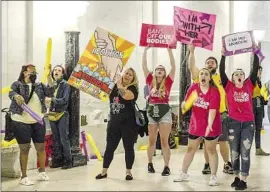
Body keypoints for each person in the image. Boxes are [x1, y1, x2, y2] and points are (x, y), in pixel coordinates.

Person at [188, 44, 233, 175]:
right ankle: (207, 164)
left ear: (216, 66)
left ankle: (226, 163)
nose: (210, 64)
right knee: (208, 143)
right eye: (208, 62)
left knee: (223, 141)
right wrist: (191, 51)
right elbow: (192, 67)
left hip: (221, 114)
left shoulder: (221, 78)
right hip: (204, 116)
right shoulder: (201, 76)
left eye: (212, 62)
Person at [219, 47, 260, 190]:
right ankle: (236, 177)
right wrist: (223, 56)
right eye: (236, 74)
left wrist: (254, 52)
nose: (239, 75)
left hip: (248, 123)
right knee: (234, 152)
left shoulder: (249, 84)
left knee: (245, 152)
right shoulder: (228, 86)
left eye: (241, 74)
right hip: (233, 123)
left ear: (244, 77)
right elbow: (222, 72)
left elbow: (254, 69)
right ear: (232, 78)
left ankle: (244, 179)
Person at [174, 68, 221, 186]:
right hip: (196, 124)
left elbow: (212, 110)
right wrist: (183, 105)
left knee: (211, 150)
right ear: (198, 77)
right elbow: (185, 105)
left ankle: (213, 176)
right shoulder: (193, 88)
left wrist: (209, 125)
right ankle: (183, 173)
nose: (203, 76)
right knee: (190, 149)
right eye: (201, 74)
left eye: (206, 74)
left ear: (210, 78)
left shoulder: (214, 92)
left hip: (211, 125)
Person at [8, 64, 53, 185]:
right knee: (24, 149)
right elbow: (11, 93)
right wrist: (16, 96)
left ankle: (42, 171)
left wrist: (49, 77)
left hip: (38, 121)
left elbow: (50, 91)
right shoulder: (17, 84)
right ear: (24, 72)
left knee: (41, 148)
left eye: (35, 72)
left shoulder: (39, 85)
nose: (34, 73)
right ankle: (24, 177)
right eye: (31, 71)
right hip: (21, 121)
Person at [95, 67, 139, 181]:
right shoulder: (114, 86)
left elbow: (125, 95)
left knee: (128, 148)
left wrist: (119, 83)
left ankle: (128, 172)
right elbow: (101, 89)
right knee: (109, 148)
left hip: (128, 124)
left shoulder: (133, 88)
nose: (127, 75)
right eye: (126, 73)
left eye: (130, 75)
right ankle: (104, 171)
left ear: (133, 79)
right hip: (114, 123)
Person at [142, 47, 176, 176]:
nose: (160, 70)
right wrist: (145, 51)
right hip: (152, 110)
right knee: (151, 140)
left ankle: (166, 166)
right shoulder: (150, 80)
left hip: (164, 110)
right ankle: (150, 163)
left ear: (164, 72)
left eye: (162, 69)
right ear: (155, 72)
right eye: (158, 69)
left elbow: (173, 67)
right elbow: (144, 66)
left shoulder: (168, 81)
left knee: (164, 140)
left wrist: (169, 51)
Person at [45, 65, 73, 169]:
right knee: (56, 139)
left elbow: (65, 100)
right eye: (55, 70)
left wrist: (52, 100)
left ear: (62, 73)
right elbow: (47, 93)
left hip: (62, 114)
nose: (57, 71)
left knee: (63, 138)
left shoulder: (65, 84)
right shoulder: (52, 84)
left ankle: (68, 160)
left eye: (59, 70)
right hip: (52, 114)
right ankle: (58, 159)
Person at [252, 66, 269, 156]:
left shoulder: (260, 81)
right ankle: (244, 150)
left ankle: (258, 149)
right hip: (252, 107)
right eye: (258, 70)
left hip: (259, 107)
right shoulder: (251, 80)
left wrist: (264, 98)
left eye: (261, 70)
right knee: (250, 129)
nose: (260, 72)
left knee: (258, 129)